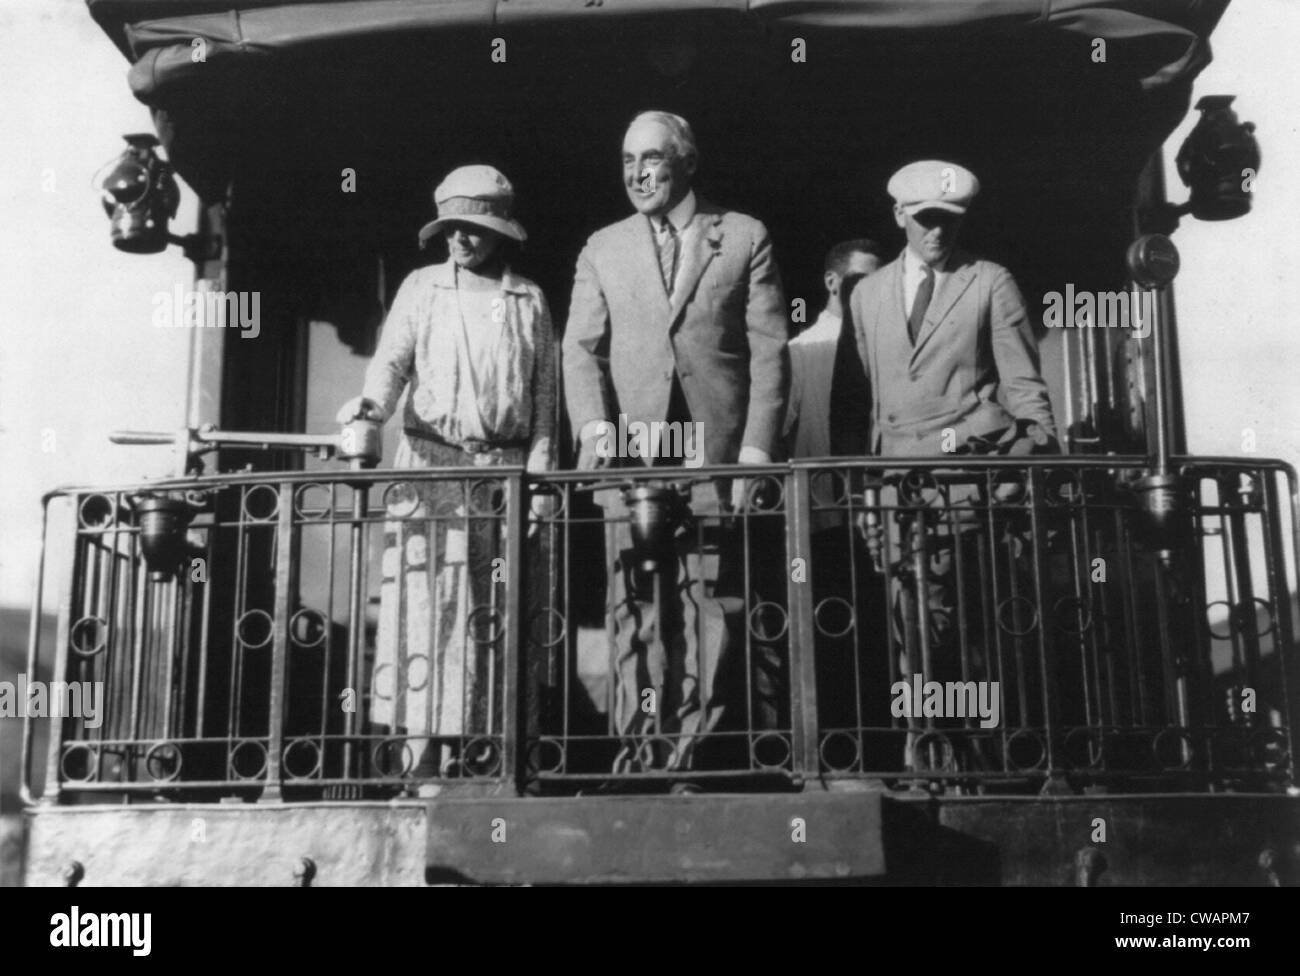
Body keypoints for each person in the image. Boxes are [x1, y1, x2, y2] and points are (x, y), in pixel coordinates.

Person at [562, 110, 789, 773]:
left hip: (711, 455)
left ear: (687, 161)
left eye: (652, 158)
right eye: (627, 161)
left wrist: (753, 452)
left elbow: (769, 353)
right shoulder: (602, 247)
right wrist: (596, 431)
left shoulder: (744, 235)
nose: (637, 173)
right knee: (634, 601)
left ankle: (697, 753)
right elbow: (580, 351)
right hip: (631, 457)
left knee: (710, 602)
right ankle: (640, 750)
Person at [336, 164, 556, 793]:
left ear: (500, 232)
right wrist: (371, 407)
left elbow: (545, 407)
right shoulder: (421, 288)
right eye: (451, 229)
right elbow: (390, 366)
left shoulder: (528, 300)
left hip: (502, 479)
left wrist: (538, 484)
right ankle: (422, 762)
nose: (459, 240)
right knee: (426, 613)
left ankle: (496, 763)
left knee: (496, 614)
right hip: (430, 472)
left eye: (473, 229)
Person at [848, 160, 1059, 774]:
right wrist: (867, 488)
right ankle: (925, 755)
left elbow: (1024, 386)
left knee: (965, 629)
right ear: (899, 218)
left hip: (965, 482)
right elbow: (868, 400)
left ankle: (979, 758)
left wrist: (1029, 456)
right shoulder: (866, 295)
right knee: (908, 631)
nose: (938, 233)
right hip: (894, 493)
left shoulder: (989, 282)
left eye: (949, 222)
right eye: (926, 221)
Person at [783, 239, 882, 464]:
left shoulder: (889, 342)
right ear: (831, 282)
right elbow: (776, 430)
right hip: (823, 489)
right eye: (862, 279)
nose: (872, 290)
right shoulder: (800, 351)